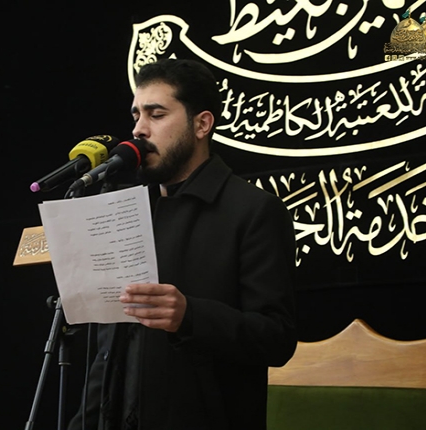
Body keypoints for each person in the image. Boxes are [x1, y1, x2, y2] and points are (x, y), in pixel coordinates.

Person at [67, 58, 297, 430]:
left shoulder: (253, 210)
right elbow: (109, 351)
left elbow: (277, 339)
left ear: (202, 124)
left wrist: (190, 315)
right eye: (136, 115)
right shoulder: (129, 211)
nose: (139, 129)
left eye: (156, 114)